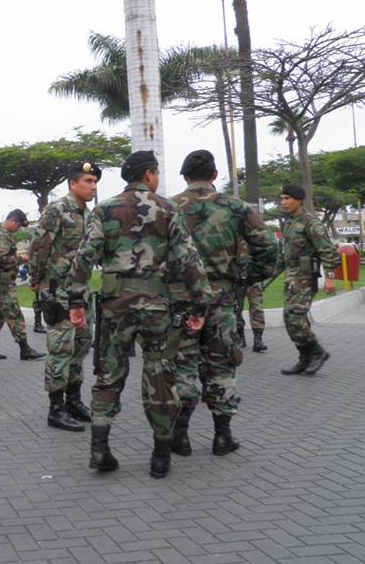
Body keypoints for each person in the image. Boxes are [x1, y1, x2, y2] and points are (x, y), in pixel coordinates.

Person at [67, 150, 212, 479]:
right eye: (156, 173)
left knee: (108, 375)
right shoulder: (167, 208)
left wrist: (76, 301)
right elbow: (188, 260)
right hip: (157, 305)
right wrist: (199, 303)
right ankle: (161, 455)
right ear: (149, 175)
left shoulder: (103, 210)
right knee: (160, 375)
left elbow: (83, 257)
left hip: (115, 304)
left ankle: (100, 450)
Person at [170, 150, 278, 457]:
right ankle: (222, 436)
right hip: (223, 299)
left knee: (182, 366)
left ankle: (180, 436)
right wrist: (248, 277)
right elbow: (268, 247)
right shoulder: (236, 207)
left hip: (181, 301)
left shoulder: (168, 206)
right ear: (215, 175)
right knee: (222, 365)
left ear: (185, 177)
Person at [29, 161, 101, 432]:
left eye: (94, 182)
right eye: (87, 181)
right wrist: (38, 282)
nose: (92, 187)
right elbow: (39, 247)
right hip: (58, 291)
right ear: (73, 183)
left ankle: (73, 400)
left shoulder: (90, 214)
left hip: (80, 292)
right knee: (61, 349)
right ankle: (55, 408)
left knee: (81, 346)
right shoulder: (57, 209)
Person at [276, 184, 340, 376]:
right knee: (289, 319)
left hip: (305, 278)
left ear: (299, 200)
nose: (284, 202)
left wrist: (330, 279)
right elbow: (285, 254)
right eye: (282, 198)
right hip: (292, 279)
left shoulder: (312, 223)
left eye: (288, 198)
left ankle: (318, 352)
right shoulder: (288, 223)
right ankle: (304, 359)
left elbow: (328, 252)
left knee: (296, 318)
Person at [0, 209, 45, 361]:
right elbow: (0, 257)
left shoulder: (0, 233)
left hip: (0, 282)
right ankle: (25, 349)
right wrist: (19, 259)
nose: (18, 230)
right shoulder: (2, 235)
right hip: (3, 283)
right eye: (18, 226)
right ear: (13, 221)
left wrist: (20, 259)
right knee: (14, 314)